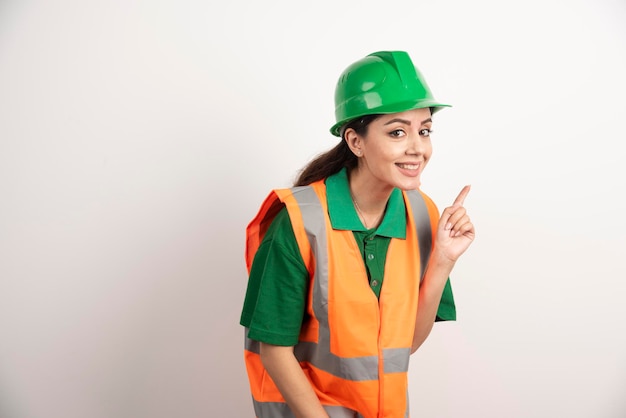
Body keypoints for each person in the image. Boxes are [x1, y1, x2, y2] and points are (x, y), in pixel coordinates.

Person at [240, 50, 475, 418]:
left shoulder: (422, 214)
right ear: (355, 141)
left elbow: (404, 345)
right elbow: (272, 350)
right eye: (398, 131)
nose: (418, 148)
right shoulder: (300, 221)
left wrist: (443, 260)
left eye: (424, 130)